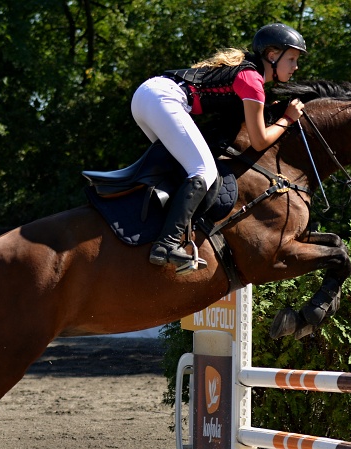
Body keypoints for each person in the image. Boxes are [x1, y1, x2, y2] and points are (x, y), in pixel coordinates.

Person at [131, 23, 308, 269]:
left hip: (147, 97)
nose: (295, 67)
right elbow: (258, 142)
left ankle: (159, 232)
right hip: (163, 99)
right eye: (291, 59)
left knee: (181, 170)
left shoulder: (248, 74)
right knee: (203, 170)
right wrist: (287, 119)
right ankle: (167, 244)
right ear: (272, 56)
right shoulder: (252, 80)